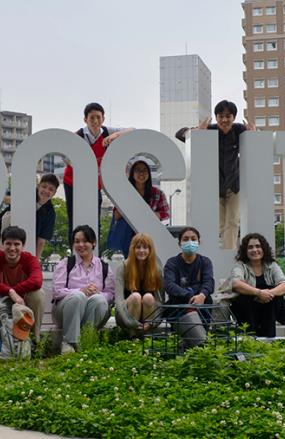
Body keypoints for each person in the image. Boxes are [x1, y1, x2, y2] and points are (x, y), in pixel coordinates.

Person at [175, 100, 255, 250]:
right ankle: (220, 252)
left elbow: (259, 135)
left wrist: (256, 133)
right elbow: (179, 134)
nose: (224, 120)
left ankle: (228, 253)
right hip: (214, 186)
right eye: (220, 116)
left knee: (232, 222)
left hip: (234, 185)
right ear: (216, 117)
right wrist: (195, 131)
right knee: (219, 224)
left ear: (234, 117)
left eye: (228, 116)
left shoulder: (239, 130)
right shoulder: (209, 130)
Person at [61, 102, 132, 239]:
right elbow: (65, 157)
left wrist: (115, 136)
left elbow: (132, 129)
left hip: (94, 184)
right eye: (91, 118)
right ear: (85, 120)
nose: (95, 121)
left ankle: (95, 252)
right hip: (73, 182)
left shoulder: (107, 131)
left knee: (95, 218)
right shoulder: (78, 136)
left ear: (103, 119)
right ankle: (73, 253)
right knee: (73, 218)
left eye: (98, 117)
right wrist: (82, 168)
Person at [52, 225, 115, 354]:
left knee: (99, 299)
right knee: (78, 296)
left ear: (93, 243)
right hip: (64, 311)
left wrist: (98, 293)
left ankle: (84, 340)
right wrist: (81, 290)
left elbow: (110, 294)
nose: (81, 245)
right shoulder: (66, 263)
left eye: (85, 241)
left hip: (92, 311)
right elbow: (57, 291)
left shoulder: (104, 267)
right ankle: (69, 342)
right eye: (77, 241)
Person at [0, 226, 45, 340]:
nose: (12, 248)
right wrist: (9, 292)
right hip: (0, 303)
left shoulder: (30, 260)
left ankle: (35, 338)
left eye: (17, 244)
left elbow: (37, 281)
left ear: (23, 246)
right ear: (2, 244)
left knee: (38, 294)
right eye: (8, 243)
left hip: (23, 303)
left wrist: (14, 291)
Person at [221, 233, 285, 338]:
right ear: (245, 251)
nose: (254, 250)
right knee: (244, 295)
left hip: (269, 307)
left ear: (264, 248)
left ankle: (269, 339)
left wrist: (268, 294)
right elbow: (236, 283)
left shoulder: (272, 265)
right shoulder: (240, 266)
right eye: (250, 247)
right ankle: (250, 338)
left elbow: (284, 284)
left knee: (272, 294)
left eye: (258, 246)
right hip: (247, 309)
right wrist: (258, 293)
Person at [163, 226, 215, 349]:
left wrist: (202, 295)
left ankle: (201, 341)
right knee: (174, 304)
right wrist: (189, 296)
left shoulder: (205, 262)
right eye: (185, 239)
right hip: (179, 303)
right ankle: (183, 341)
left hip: (201, 303)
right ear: (179, 243)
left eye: (193, 239)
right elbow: (169, 285)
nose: (190, 242)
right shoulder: (172, 263)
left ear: (199, 241)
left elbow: (209, 282)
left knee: (208, 300)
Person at [106, 160, 170, 256]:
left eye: (144, 170)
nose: (141, 173)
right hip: (126, 236)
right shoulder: (124, 192)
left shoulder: (157, 193)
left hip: (147, 234)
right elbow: (117, 215)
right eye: (137, 170)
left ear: (149, 174)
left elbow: (166, 213)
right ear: (132, 174)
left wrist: (156, 214)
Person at [0, 174, 60, 259]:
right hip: (6, 226)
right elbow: (6, 198)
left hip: (27, 240)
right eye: (44, 186)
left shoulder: (50, 213)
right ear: (38, 186)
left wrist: (35, 261)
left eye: (51, 189)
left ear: (54, 193)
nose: (46, 191)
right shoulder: (27, 193)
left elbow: (41, 241)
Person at [113, 233, 165, 335]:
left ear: (150, 250)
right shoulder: (123, 268)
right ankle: (133, 337)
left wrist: (153, 322)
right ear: (133, 249)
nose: (141, 251)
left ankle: (147, 336)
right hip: (126, 316)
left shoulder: (157, 269)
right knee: (136, 297)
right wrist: (129, 321)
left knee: (149, 298)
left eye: (145, 247)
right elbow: (119, 301)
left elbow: (160, 301)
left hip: (149, 316)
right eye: (138, 247)